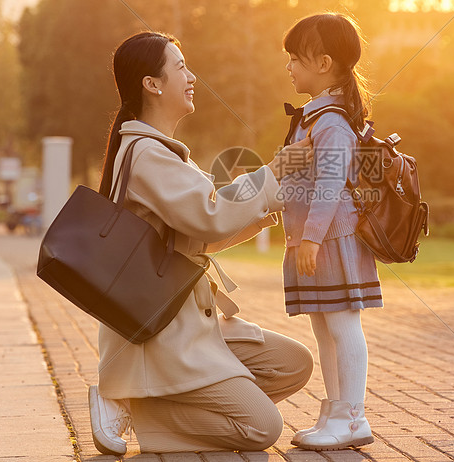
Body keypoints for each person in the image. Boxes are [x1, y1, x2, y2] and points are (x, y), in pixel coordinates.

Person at [88, 31, 315, 455]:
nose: (191, 76)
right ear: (152, 84)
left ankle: (165, 396)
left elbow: (201, 233)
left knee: (293, 364)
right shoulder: (144, 154)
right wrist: (274, 171)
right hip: (162, 330)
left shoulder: (166, 152)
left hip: (190, 322)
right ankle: (133, 405)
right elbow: (211, 212)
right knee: (261, 429)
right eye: (180, 67)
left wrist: (279, 201)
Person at [279, 13, 381, 451]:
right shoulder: (314, 119)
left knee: (342, 326)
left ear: (323, 63)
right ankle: (337, 409)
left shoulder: (332, 122)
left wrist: (312, 238)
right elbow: (296, 176)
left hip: (331, 241)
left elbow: (331, 184)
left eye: (295, 59)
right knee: (325, 327)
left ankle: (353, 416)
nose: (289, 67)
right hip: (315, 240)